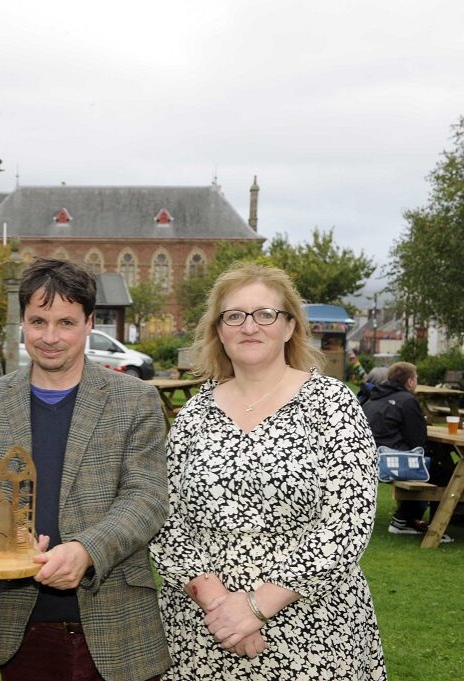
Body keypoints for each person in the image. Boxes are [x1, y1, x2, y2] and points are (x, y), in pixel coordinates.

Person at [150, 263, 386, 680]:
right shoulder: (194, 416)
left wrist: (257, 606)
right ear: (219, 330)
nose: (249, 327)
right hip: (205, 632)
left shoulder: (331, 405)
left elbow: (346, 523)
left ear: (290, 325)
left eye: (265, 314)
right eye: (234, 316)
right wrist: (219, 604)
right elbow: (164, 520)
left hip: (312, 630)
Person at [0, 257, 171, 681]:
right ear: (22, 324)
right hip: (23, 626)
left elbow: (146, 498)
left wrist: (87, 549)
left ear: (89, 323)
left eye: (66, 323)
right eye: (38, 322)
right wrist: (1, 540)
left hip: (118, 624)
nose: (50, 337)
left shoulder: (134, 400)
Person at [362, 361, 453, 543]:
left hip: (368, 458)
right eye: (416, 379)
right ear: (410, 382)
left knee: (434, 463)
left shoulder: (374, 396)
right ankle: (412, 522)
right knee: (443, 471)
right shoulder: (407, 400)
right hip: (389, 461)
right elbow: (417, 441)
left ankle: (405, 519)